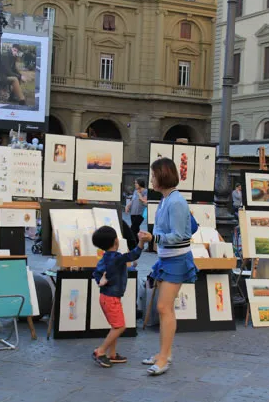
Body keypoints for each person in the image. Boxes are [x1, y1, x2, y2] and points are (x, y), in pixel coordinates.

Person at [143, 157, 198, 376]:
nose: (152, 179)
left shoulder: (175, 201)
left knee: (164, 308)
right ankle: (164, 353)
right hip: (168, 258)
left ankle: (164, 357)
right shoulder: (168, 199)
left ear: (163, 176)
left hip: (176, 259)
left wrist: (153, 238)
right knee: (166, 308)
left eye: (154, 175)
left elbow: (181, 235)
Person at [91, 226, 151, 368]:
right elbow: (133, 255)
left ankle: (112, 354)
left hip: (107, 297)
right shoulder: (117, 258)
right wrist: (141, 242)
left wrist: (101, 282)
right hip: (111, 298)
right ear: (116, 241)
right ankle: (100, 351)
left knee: (115, 326)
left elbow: (99, 273)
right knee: (119, 327)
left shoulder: (106, 258)